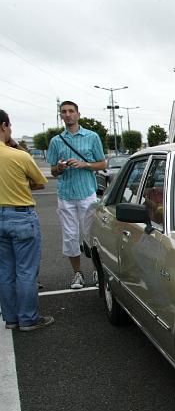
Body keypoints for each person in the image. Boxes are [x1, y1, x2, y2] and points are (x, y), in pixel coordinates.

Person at [0, 109, 54, 331]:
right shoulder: (18, 155)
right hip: (20, 215)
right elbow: (41, 182)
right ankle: (28, 318)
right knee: (26, 271)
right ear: (4, 126)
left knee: (5, 271)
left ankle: (11, 318)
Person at [47, 101, 107, 289]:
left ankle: (98, 269)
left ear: (78, 114)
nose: (68, 115)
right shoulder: (56, 141)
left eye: (71, 111)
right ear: (61, 116)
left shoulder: (92, 137)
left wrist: (85, 165)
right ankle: (77, 274)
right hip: (66, 194)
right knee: (70, 236)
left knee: (91, 235)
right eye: (64, 112)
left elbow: (103, 164)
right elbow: (53, 171)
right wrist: (60, 167)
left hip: (87, 194)